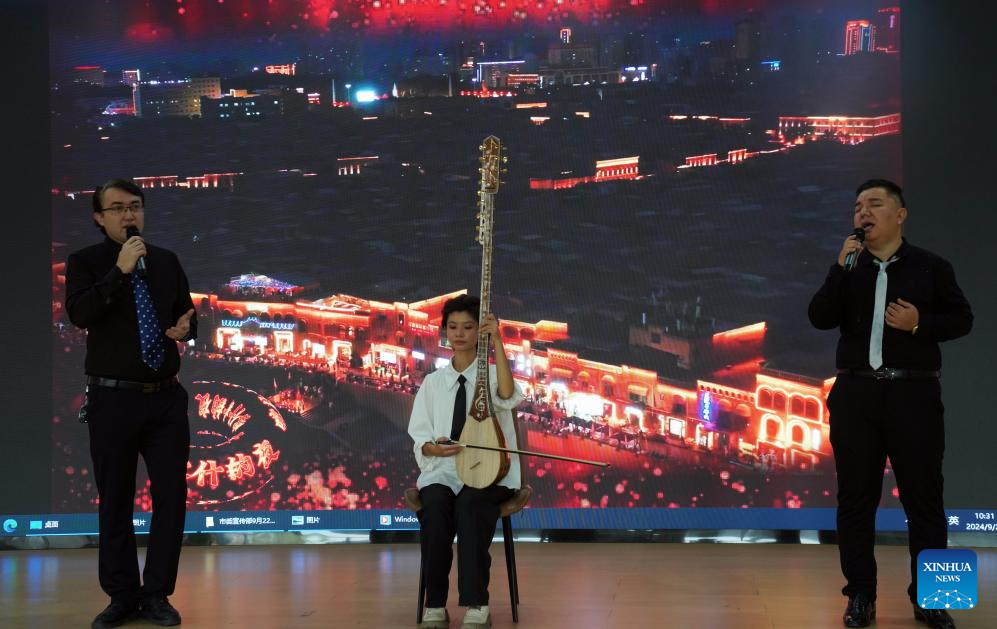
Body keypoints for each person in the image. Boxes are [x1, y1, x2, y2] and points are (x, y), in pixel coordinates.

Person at [808, 179, 972, 629]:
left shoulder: (931, 267)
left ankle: (936, 598)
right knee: (855, 500)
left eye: (875, 204)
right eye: (857, 206)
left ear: (900, 215)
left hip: (914, 394)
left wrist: (920, 324)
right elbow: (819, 317)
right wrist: (839, 269)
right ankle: (860, 596)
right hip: (856, 394)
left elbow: (963, 319)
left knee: (926, 500)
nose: (863, 212)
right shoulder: (847, 267)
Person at [66, 179, 197, 629]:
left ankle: (157, 593)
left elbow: (186, 311)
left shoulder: (165, 260)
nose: (129, 215)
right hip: (112, 398)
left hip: (165, 399)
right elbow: (80, 314)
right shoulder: (85, 262)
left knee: (171, 498)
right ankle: (121, 596)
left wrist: (186, 327)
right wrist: (118, 272)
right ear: (99, 218)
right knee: (116, 500)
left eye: (135, 206)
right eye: (118, 208)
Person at [407, 295, 524, 629]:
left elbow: (508, 396)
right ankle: (434, 604)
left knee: (471, 505)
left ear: (479, 332)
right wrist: (432, 449)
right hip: (444, 471)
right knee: (435, 505)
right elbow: (420, 437)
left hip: (490, 473)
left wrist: (497, 340)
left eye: (468, 327)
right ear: (445, 330)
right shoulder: (433, 383)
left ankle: (477, 603)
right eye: (453, 327)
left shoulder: (491, 377)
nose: (459, 334)